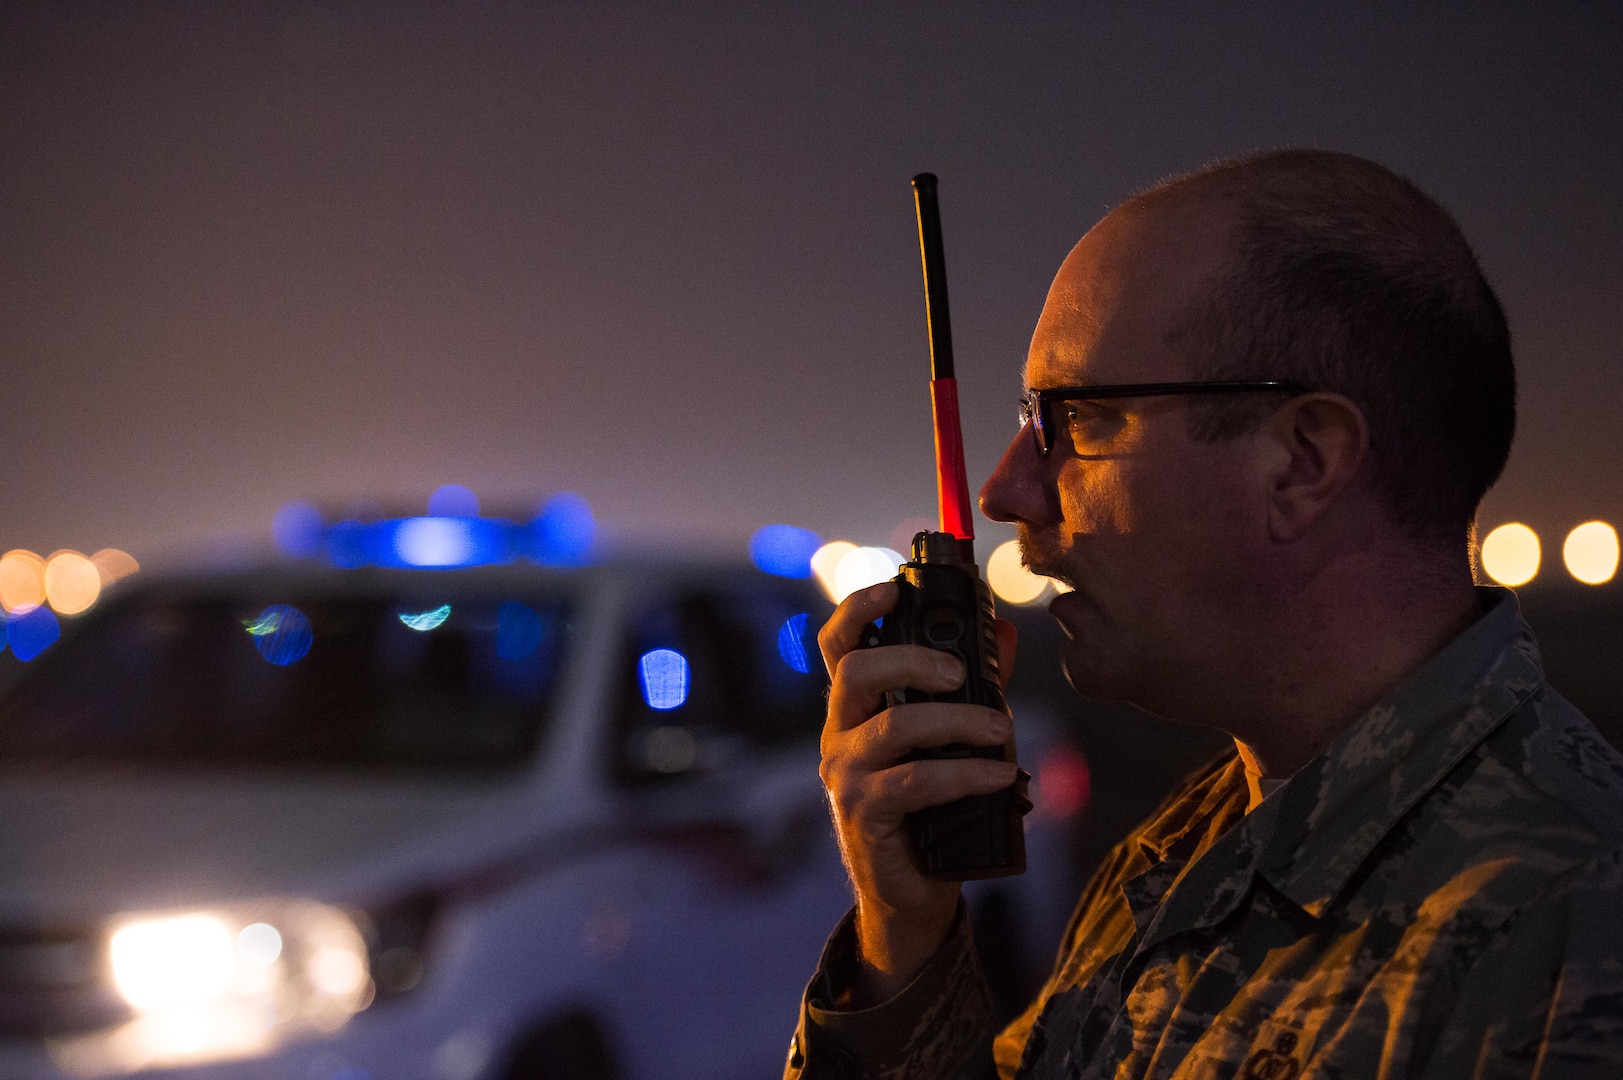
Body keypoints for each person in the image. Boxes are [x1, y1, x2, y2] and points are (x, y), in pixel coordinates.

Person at [786, 149, 1623, 1079]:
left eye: (1077, 421)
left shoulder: (1565, 936)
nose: (1004, 490)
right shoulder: (1190, 848)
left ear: (1300, 461)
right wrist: (902, 939)